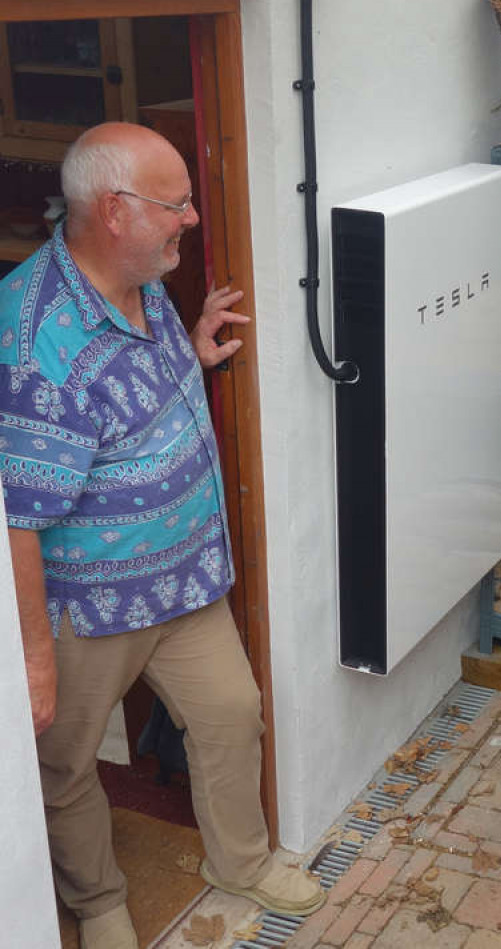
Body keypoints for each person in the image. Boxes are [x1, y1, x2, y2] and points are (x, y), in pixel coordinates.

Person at [0, 123, 323, 949]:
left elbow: (121, 409)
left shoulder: (138, 280)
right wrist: (33, 655)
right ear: (114, 210)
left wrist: (192, 353)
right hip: (88, 611)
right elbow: (18, 515)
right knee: (65, 765)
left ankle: (239, 861)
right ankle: (99, 899)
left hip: (183, 583)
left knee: (230, 715)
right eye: (174, 203)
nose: (189, 218)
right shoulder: (38, 339)